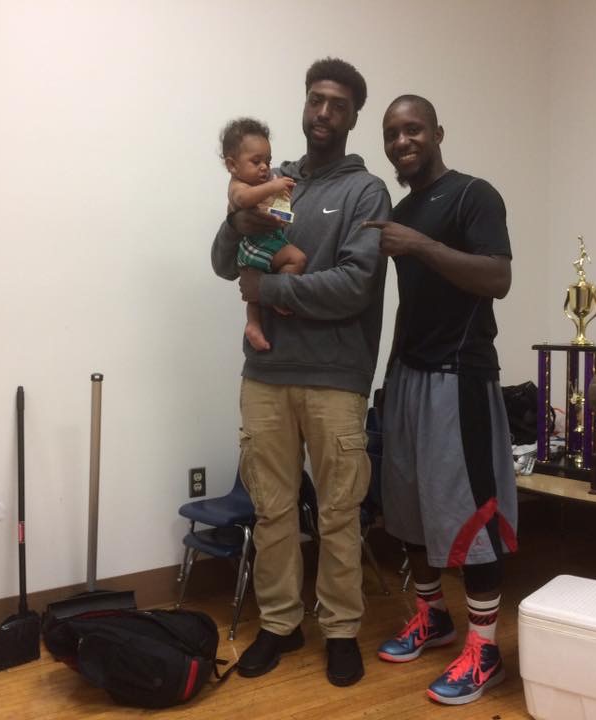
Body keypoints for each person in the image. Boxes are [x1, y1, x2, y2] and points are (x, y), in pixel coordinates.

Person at [210, 57, 390, 687]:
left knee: (339, 511)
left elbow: (356, 285)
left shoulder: (366, 192)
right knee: (272, 509)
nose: (323, 112)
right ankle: (281, 625)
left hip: (336, 378)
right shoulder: (271, 178)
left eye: (338, 104)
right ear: (304, 104)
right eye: (316, 99)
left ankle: (341, 630)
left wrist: (273, 290)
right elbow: (223, 263)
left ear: (353, 117)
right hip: (265, 375)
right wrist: (236, 221)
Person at [362, 95, 518, 706]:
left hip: (460, 376)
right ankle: (433, 618)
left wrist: (420, 245)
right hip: (407, 377)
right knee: (405, 507)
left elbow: (498, 278)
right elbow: (411, 303)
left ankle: (485, 649)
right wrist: (390, 375)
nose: (402, 141)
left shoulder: (474, 195)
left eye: (413, 130)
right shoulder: (401, 211)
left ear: (437, 133)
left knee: (470, 514)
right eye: (392, 133)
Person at [220, 117, 306, 352]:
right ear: (232, 165)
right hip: (254, 245)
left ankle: (254, 324)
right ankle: (277, 298)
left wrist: (281, 204)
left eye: (268, 161)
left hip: (265, 241)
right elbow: (242, 199)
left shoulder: (265, 181)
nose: (265, 167)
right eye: (256, 161)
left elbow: (278, 215)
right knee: (297, 259)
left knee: (255, 291)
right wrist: (273, 187)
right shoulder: (238, 185)